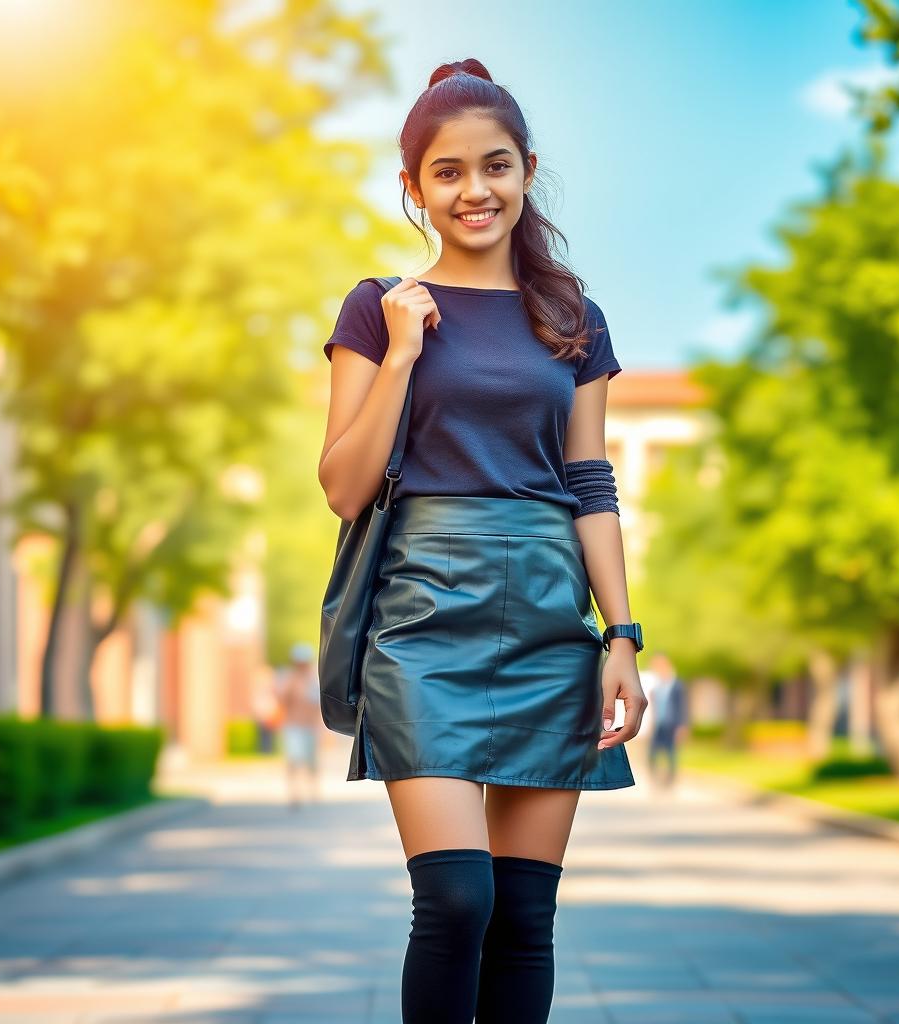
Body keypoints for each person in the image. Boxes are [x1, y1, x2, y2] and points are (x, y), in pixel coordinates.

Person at [318, 58, 648, 1024]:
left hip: (550, 617)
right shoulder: (378, 310)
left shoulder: (571, 319)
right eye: (449, 172)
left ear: (527, 170)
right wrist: (405, 353)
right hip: (423, 617)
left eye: (495, 167)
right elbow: (344, 487)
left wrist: (622, 636)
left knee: (525, 919)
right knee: (459, 899)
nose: (476, 190)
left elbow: (590, 484)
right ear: (412, 187)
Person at [274, 642, 324, 808]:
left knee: (312, 761)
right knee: (294, 760)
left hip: (310, 726)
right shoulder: (290, 679)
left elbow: (319, 706)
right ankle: (294, 794)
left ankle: (313, 791)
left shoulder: (314, 680)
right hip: (294, 726)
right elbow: (282, 700)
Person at [646, 651, 689, 789]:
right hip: (658, 724)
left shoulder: (677, 685)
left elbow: (683, 706)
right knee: (652, 753)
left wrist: (682, 726)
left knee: (671, 754)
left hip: (672, 724)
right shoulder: (656, 685)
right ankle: (655, 778)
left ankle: (669, 781)